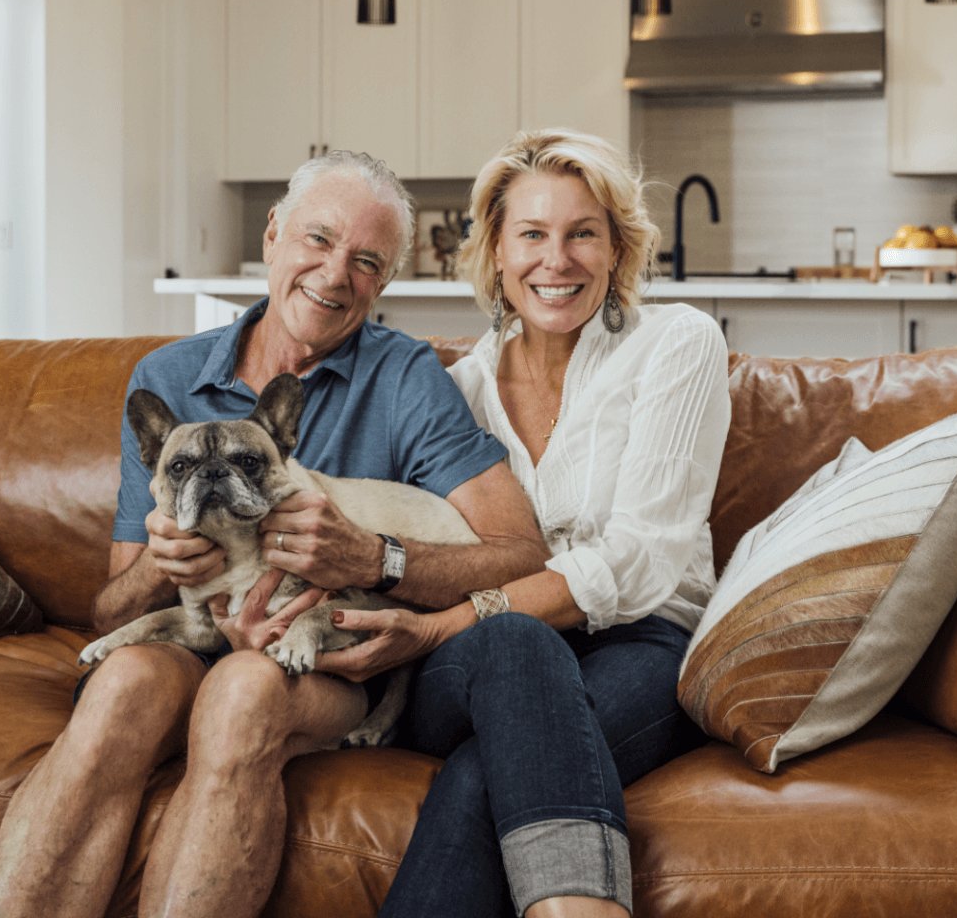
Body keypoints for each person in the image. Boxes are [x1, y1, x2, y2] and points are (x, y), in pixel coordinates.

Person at [0, 150, 550, 918]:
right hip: (196, 635)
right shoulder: (167, 379)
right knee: (119, 687)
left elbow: (523, 556)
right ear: (273, 235)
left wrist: (373, 556)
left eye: (366, 260)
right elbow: (113, 615)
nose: (335, 273)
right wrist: (161, 563)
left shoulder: (408, 380)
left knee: (244, 691)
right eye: (317, 239)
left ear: (383, 283)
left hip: (327, 662)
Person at [310, 130, 732, 918]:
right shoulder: (455, 391)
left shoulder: (677, 342)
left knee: (483, 774)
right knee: (513, 643)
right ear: (496, 252)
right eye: (532, 234)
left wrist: (451, 625)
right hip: (474, 659)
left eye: (583, 234)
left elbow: (642, 558)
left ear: (617, 248)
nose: (557, 260)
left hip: (640, 642)